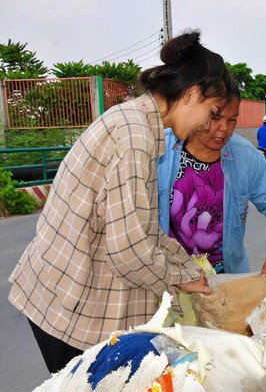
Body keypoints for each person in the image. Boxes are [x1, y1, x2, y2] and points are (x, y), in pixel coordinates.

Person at [8, 31, 230, 373]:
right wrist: (179, 279)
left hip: (71, 296)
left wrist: (187, 269)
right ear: (191, 94)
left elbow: (143, 231)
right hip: (65, 304)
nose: (209, 124)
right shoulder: (134, 135)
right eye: (212, 112)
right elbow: (128, 251)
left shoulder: (139, 126)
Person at [158, 85, 266, 274]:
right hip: (167, 278)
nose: (223, 129)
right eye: (215, 118)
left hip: (225, 278)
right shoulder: (159, 150)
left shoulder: (246, 156)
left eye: (232, 120)